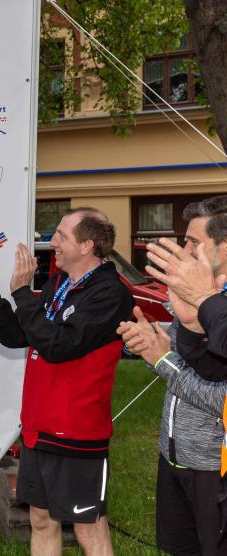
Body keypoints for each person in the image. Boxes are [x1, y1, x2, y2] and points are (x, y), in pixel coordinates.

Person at [0, 207, 132, 556]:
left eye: (61, 236)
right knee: (40, 518)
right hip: (39, 426)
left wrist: (22, 292)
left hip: (78, 431)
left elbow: (58, 346)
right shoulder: (59, 284)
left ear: (86, 245)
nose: (52, 242)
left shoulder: (110, 293)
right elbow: (17, 336)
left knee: (88, 528)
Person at [118, 195, 227, 555]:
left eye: (194, 242)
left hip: (214, 468)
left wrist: (161, 359)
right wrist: (154, 339)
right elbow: (188, 361)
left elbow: (220, 398)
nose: (185, 251)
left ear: (224, 247)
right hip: (173, 456)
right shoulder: (190, 295)